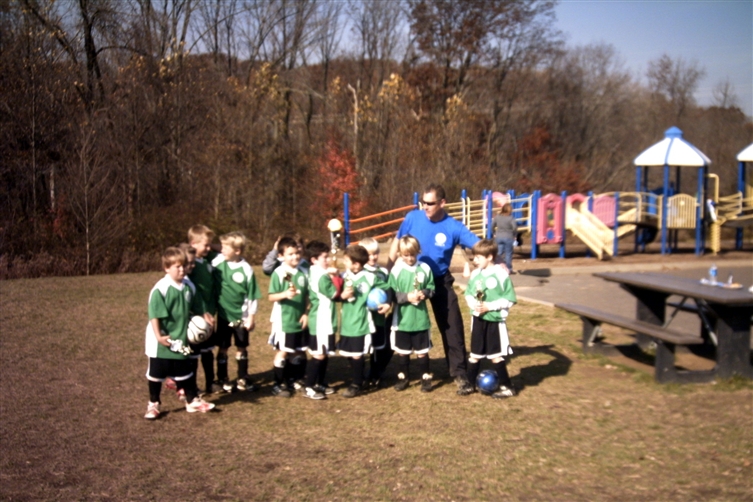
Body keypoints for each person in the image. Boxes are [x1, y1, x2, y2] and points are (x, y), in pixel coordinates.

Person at [388, 183, 479, 395]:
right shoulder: (413, 217)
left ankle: (459, 373)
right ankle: (374, 372)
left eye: (429, 203)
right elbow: (397, 241)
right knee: (393, 321)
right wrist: (388, 270)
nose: (425, 207)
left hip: (438, 280)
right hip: (408, 277)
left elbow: (479, 245)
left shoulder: (454, 227)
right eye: (423, 202)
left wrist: (498, 261)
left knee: (452, 325)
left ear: (442, 203)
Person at [143, 246, 215, 419]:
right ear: (167, 268)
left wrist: (206, 316)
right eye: (177, 267)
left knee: (185, 370)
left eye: (184, 266)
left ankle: (192, 401)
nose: (182, 269)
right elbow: (154, 315)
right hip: (161, 340)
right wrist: (159, 336)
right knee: (156, 374)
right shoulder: (161, 288)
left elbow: (198, 305)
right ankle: (153, 404)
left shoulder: (189, 286)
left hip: (181, 337)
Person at [464, 239, 517, 399]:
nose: (475, 260)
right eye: (474, 257)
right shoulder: (475, 274)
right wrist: (474, 305)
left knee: (495, 355)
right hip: (478, 320)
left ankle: (508, 387)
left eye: (478, 257)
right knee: (474, 355)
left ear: (489, 257)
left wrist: (490, 306)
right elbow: (468, 294)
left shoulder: (501, 274)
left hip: (494, 320)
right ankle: (470, 384)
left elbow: (510, 299)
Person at [211, 231, 261, 393]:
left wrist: (251, 317)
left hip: (241, 317)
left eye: (226, 247)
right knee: (223, 347)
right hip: (223, 316)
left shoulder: (246, 269)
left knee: (242, 347)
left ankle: (242, 378)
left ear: (237, 251)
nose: (222, 250)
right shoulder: (218, 262)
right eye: (222, 246)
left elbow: (252, 295)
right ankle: (222, 379)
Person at [339, 244, 390, 398]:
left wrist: (387, 302)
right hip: (346, 323)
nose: (343, 263)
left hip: (361, 322)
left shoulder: (370, 277)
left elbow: (388, 287)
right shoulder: (343, 276)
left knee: (357, 354)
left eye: (346, 260)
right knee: (348, 353)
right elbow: (334, 293)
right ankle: (360, 376)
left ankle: (357, 384)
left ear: (356, 264)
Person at [389, 235, 435, 392]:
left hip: (420, 320)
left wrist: (424, 293)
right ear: (400, 254)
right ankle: (403, 378)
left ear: (418, 252)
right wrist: (407, 297)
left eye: (413, 254)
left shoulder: (425, 268)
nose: (410, 258)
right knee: (403, 352)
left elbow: (431, 288)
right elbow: (391, 294)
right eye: (406, 255)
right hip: (402, 320)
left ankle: (425, 378)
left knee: (422, 352)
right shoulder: (396, 271)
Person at [267, 236, 309, 397]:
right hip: (284, 320)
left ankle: (296, 379)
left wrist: (306, 313)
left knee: (299, 351)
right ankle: (278, 383)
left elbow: (307, 296)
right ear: (281, 256)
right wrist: (284, 294)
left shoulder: (304, 272)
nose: (295, 257)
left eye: (297, 253)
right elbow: (271, 296)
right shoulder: (278, 273)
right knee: (283, 351)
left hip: (300, 319)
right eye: (290, 254)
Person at [186, 225, 221, 395]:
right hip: (197, 317)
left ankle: (210, 383)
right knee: (193, 354)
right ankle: (191, 386)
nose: (208, 248)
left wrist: (211, 245)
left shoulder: (208, 259)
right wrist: (202, 312)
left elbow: (224, 251)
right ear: (193, 244)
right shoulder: (190, 265)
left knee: (208, 351)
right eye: (205, 245)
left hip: (210, 314)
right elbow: (194, 292)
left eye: (210, 245)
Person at [302, 240, 338, 399]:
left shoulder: (313, 271)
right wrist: (336, 278)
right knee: (319, 354)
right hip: (321, 321)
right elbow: (334, 293)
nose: (328, 260)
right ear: (314, 259)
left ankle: (320, 383)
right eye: (324, 257)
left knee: (324, 353)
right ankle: (308, 386)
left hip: (325, 320)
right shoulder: (322, 276)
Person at [360, 237, 393, 388]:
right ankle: (360, 375)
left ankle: (374, 373)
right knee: (362, 346)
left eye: (375, 254)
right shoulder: (359, 272)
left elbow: (389, 290)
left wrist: (388, 303)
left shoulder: (383, 272)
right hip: (363, 318)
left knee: (377, 346)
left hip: (379, 317)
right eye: (369, 254)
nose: (372, 257)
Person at [493, 203, 517, 273]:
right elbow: (514, 228)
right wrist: (514, 235)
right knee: (508, 254)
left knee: (499, 253)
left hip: (498, 236)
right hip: (508, 237)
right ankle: (508, 269)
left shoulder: (497, 217)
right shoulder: (511, 218)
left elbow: (492, 226)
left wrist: (494, 233)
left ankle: (497, 267)